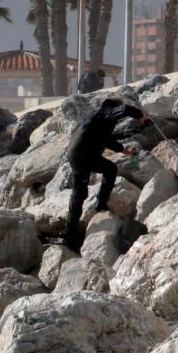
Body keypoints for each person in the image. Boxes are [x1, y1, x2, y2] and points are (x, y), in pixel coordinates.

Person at [62, 97, 152, 251]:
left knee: (110, 169)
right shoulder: (105, 113)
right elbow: (125, 109)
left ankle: (101, 204)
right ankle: (68, 234)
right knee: (80, 193)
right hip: (80, 156)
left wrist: (126, 151)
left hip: (88, 155)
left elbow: (109, 141)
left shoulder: (102, 124)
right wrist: (141, 116)